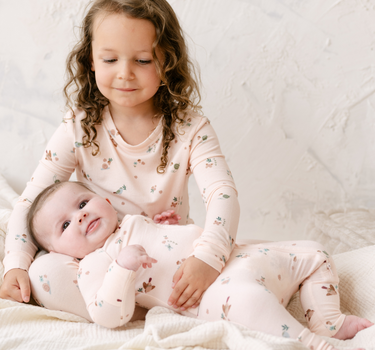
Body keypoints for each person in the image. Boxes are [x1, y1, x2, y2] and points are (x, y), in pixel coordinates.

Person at [0, 0, 240, 320]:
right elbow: (31, 200)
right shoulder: (79, 125)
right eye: (110, 59)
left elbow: (222, 193)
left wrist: (209, 258)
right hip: (97, 263)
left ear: (167, 61)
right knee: (43, 273)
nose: (125, 73)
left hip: (162, 257)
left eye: (143, 60)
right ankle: (130, 310)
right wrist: (16, 263)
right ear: (92, 62)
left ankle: (152, 305)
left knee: (230, 266)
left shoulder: (190, 128)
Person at [28, 181, 373, 350]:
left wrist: (169, 225)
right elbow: (106, 314)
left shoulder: (133, 220)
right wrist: (123, 267)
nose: (81, 216)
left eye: (82, 202)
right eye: (64, 225)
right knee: (251, 303)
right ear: (60, 252)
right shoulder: (94, 265)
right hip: (213, 295)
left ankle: (327, 320)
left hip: (238, 257)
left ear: (104, 200)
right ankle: (317, 344)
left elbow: (172, 243)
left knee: (314, 252)